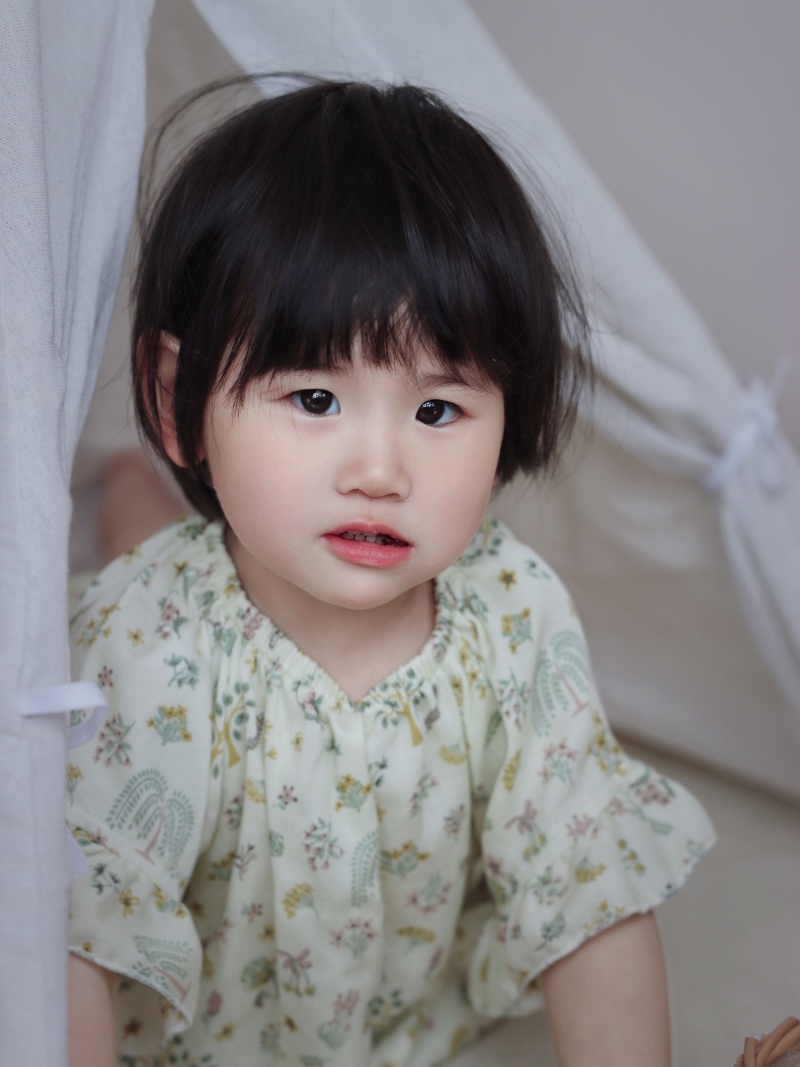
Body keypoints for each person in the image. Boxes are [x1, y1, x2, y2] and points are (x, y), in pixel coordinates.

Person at [66, 78, 715, 1067]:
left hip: (411, 1024)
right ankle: (125, 483)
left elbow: (585, 872)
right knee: (140, 550)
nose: (380, 471)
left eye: (436, 410)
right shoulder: (141, 641)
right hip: (190, 1043)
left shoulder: (511, 611)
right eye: (315, 398)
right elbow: (75, 917)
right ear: (175, 398)